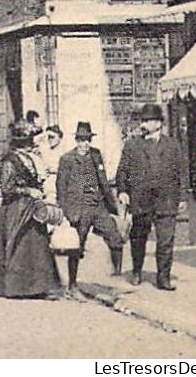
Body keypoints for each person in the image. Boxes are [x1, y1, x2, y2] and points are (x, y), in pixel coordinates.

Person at [0, 120, 60, 299]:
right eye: (28, 140)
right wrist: (28, 190)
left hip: (31, 208)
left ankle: (38, 287)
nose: (30, 144)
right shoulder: (9, 161)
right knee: (18, 245)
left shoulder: (29, 157)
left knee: (36, 247)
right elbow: (6, 189)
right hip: (15, 209)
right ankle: (17, 288)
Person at [115, 102, 187, 291]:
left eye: (147, 120)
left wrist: (183, 197)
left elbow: (181, 172)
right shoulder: (132, 145)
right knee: (138, 238)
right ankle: (137, 270)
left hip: (167, 200)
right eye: (142, 120)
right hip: (140, 200)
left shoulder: (172, 145)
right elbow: (122, 171)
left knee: (166, 241)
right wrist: (122, 191)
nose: (143, 124)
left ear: (159, 123)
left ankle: (163, 278)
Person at [56, 121, 123, 298]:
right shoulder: (67, 159)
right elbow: (61, 187)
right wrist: (64, 212)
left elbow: (102, 178)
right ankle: (72, 285)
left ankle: (117, 274)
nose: (84, 144)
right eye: (81, 140)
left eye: (87, 140)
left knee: (115, 237)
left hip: (98, 205)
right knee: (76, 247)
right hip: (80, 208)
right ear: (76, 141)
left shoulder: (96, 155)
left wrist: (110, 202)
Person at [39, 124, 68, 202]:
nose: (50, 140)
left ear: (60, 137)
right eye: (48, 137)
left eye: (52, 137)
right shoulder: (45, 151)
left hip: (60, 182)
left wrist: (54, 170)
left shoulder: (64, 151)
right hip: (47, 183)